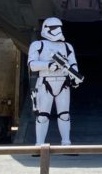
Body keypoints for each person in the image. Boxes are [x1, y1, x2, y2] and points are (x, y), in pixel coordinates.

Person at [28, 17, 81, 145]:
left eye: (59, 27)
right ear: (46, 29)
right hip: (45, 82)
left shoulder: (67, 46)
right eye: (53, 28)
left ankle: (66, 143)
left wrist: (74, 75)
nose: (57, 30)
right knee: (42, 116)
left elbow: (73, 64)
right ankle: (39, 145)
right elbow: (32, 64)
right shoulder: (38, 45)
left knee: (64, 115)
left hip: (63, 83)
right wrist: (48, 65)